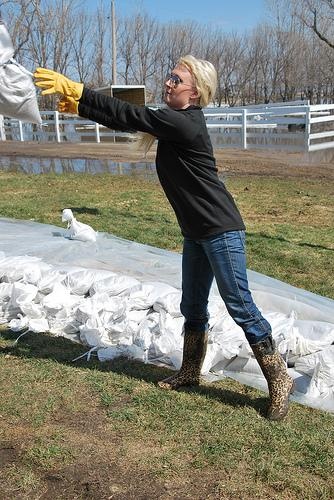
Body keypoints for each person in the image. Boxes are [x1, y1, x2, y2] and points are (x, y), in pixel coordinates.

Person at [34, 55, 294, 421]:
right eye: (169, 77)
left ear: (195, 92)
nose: (168, 83)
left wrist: (79, 90)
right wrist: (80, 106)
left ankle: (280, 379)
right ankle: (190, 372)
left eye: (177, 79)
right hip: (196, 234)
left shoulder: (185, 124)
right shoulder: (172, 122)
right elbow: (126, 120)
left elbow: (131, 116)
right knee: (193, 307)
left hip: (221, 231)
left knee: (239, 305)